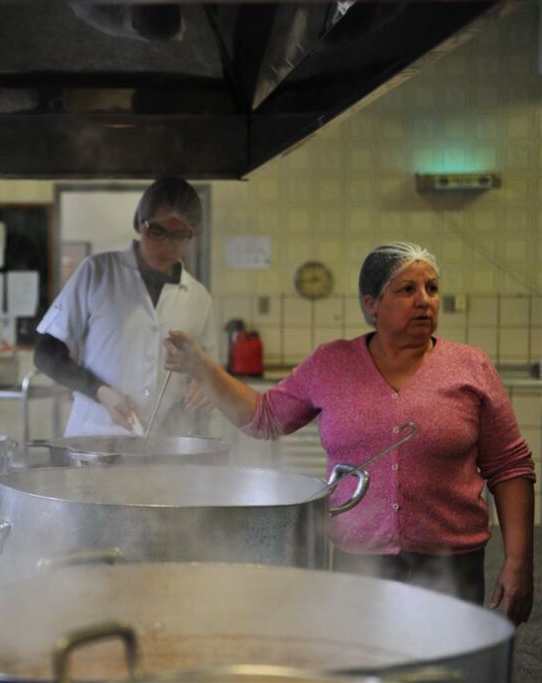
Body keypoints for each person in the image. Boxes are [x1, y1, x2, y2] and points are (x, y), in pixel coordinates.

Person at [163, 242, 535, 624]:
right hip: (358, 562)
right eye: (407, 290)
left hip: (452, 563)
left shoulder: (470, 367)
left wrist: (519, 560)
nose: (424, 300)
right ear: (371, 304)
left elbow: (510, 467)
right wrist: (202, 368)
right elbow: (265, 417)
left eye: (432, 289)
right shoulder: (332, 364)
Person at [35, 177, 216, 437]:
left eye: (179, 235)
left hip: (163, 447)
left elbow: (207, 369)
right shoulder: (96, 273)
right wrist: (101, 392)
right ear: (139, 224)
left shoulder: (198, 297)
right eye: (157, 231)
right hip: (94, 440)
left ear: (192, 235)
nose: (166, 245)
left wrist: (204, 386)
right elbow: (45, 353)